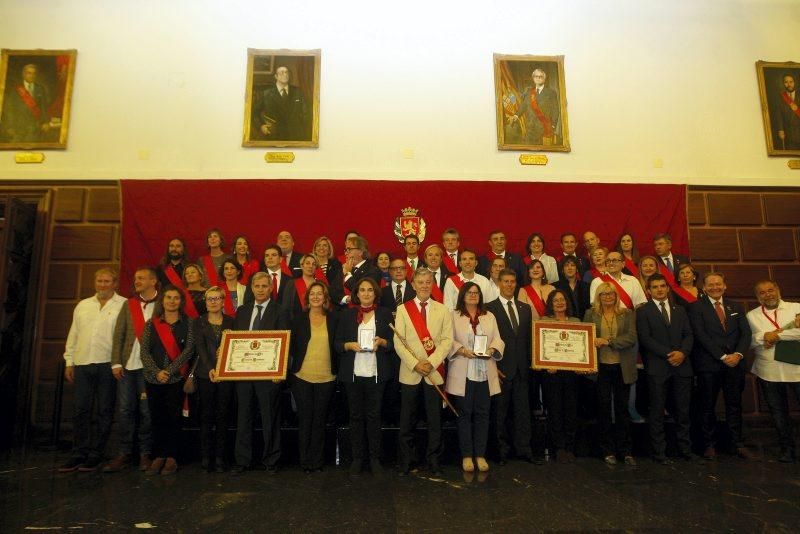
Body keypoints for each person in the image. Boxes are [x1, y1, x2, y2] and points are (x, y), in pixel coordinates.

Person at [58, 268, 127, 473]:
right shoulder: (83, 305)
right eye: (99, 281)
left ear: (115, 283)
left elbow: (124, 336)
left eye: (107, 281)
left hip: (108, 364)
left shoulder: (123, 304)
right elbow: (74, 333)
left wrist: (119, 363)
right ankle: (78, 452)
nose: (103, 285)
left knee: (105, 411)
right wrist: (69, 361)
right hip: (83, 362)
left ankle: (97, 453)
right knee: (80, 410)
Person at [688, 273, 754, 461]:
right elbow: (701, 335)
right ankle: (709, 445)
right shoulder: (695, 307)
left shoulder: (736, 306)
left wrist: (738, 355)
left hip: (735, 364)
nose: (715, 287)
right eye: (710, 284)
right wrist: (723, 356)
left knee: (734, 406)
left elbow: (746, 334)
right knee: (707, 406)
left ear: (725, 286)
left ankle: (737, 444)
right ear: (704, 288)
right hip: (710, 365)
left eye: (718, 284)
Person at [395, 268, 454, 476]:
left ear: (433, 284)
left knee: (434, 419)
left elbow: (447, 341)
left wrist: (430, 362)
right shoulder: (403, 309)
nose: (424, 285)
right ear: (413, 284)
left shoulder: (443, 310)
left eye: (428, 282)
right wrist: (415, 364)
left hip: (434, 371)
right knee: (407, 420)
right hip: (410, 372)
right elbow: (398, 343)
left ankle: (434, 460)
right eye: (420, 282)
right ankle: (407, 461)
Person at [231, 272, 290, 475]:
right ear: (252, 288)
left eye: (265, 286)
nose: (261, 289)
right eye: (257, 286)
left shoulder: (280, 311)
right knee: (243, 417)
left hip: (268, 375)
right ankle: (243, 460)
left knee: (269, 418)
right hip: (244, 374)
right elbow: (236, 341)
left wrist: (280, 370)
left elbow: (284, 343)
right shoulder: (242, 311)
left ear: (271, 288)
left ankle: (271, 460)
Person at [335, 278, 393, 476]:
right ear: (356, 294)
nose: (366, 293)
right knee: (356, 416)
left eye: (370, 290)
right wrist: (348, 346)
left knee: (374, 416)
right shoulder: (347, 315)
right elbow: (336, 344)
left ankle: (375, 459)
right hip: (353, 374)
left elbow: (395, 342)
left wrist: (384, 342)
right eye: (362, 290)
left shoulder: (385, 314)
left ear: (375, 294)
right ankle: (357, 459)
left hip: (377, 373)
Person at [636, 274, 695, 464]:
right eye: (655, 287)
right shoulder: (644, 311)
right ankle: (659, 452)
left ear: (668, 288)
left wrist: (682, 353)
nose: (660, 289)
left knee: (683, 411)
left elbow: (689, 335)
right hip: (658, 367)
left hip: (682, 366)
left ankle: (685, 450)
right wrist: (670, 354)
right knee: (657, 411)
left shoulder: (680, 310)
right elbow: (645, 339)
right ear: (649, 291)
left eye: (663, 286)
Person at [105, 268, 158, 473]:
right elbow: (119, 334)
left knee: (146, 412)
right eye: (135, 278)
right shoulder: (130, 304)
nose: (137, 281)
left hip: (149, 368)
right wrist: (115, 363)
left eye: (141, 278)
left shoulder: (162, 304)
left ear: (153, 281)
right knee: (126, 410)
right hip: (127, 367)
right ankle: (124, 453)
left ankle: (145, 453)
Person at [447, 283, 504, 473]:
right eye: (469, 293)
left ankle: (480, 454)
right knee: (464, 414)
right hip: (463, 371)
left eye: (476, 293)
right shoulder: (453, 316)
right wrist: (461, 350)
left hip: (485, 372)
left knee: (483, 414)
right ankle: (466, 455)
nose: (473, 296)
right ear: (462, 296)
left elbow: (498, 339)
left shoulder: (489, 316)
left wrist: (492, 350)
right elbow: (447, 340)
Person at [140, 286, 195, 476]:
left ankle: (172, 456)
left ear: (181, 302)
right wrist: (157, 372)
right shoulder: (151, 324)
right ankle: (159, 455)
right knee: (157, 418)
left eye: (176, 298)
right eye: (169, 298)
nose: (172, 301)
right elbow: (144, 352)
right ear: (162, 301)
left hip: (176, 378)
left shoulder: (188, 323)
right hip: (153, 379)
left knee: (174, 418)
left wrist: (169, 371)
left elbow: (188, 351)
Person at [584, 283, 638, 466]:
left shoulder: (627, 314)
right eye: (603, 294)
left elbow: (631, 338)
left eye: (611, 294)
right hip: (601, 369)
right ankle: (607, 451)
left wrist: (608, 341)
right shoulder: (590, 314)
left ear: (616, 296)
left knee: (623, 410)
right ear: (598, 297)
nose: (607, 297)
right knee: (604, 410)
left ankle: (626, 451)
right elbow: (584, 338)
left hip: (622, 368)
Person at [746, 279, 800, 463]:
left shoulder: (795, 308)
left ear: (778, 289)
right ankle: (787, 449)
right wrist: (763, 336)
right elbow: (750, 341)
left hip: (796, 368)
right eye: (762, 292)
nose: (768, 294)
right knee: (778, 413)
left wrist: (774, 335)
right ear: (757, 296)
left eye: (771, 290)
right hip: (768, 370)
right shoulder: (752, 316)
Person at [486, 269, 535, 465]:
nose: (509, 285)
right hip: (501, 369)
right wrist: (493, 365)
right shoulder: (489, 308)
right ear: (499, 283)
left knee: (523, 412)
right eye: (505, 281)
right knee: (500, 413)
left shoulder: (525, 308)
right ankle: (501, 452)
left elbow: (528, 339)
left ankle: (524, 450)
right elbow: (488, 339)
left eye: (512, 281)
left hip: (522, 369)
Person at [291, 282, 339, 473]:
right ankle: (305, 461)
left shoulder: (334, 319)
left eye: (320, 294)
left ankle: (317, 461)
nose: (316, 297)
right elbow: (291, 347)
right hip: (302, 376)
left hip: (327, 377)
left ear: (325, 298)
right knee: (305, 420)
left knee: (319, 420)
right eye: (313, 294)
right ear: (307, 297)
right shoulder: (298, 319)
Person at [195, 286, 236, 472]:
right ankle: (205, 457)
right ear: (205, 302)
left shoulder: (231, 321)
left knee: (223, 416)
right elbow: (200, 349)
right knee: (206, 417)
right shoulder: (198, 322)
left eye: (216, 298)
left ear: (223, 300)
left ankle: (220, 457)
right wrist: (211, 368)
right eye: (209, 299)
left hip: (226, 374)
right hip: (205, 374)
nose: (213, 302)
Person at [541, 289, 584, 463]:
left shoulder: (576, 322)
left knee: (571, 410)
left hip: (572, 375)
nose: (559, 303)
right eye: (555, 300)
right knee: (555, 410)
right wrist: (545, 365)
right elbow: (541, 349)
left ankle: (570, 447)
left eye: (562, 300)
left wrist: (583, 364)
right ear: (550, 304)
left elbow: (582, 348)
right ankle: (558, 447)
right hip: (552, 374)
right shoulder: (543, 322)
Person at [508, 68, 560, 145]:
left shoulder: (551, 93)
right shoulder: (529, 92)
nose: (538, 78)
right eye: (536, 76)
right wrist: (516, 115)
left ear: (544, 79)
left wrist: (553, 126)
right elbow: (523, 106)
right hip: (530, 128)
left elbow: (555, 110)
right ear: (533, 78)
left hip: (545, 129)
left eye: (541, 76)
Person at [258, 65, 311, 141]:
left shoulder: (297, 92)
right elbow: (254, 113)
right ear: (276, 76)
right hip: (275, 136)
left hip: (296, 136)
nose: (285, 75)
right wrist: (261, 125)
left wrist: (302, 129)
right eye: (282, 73)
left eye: (286, 72)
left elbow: (306, 114)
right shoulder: (266, 94)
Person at [2, 63, 51, 143]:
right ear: (23, 74)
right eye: (29, 73)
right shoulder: (15, 90)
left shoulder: (40, 89)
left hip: (36, 127)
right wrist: (9, 127)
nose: (32, 75)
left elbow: (44, 107)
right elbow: (9, 110)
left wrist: (46, 122)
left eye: (34, 73)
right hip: (18, 127)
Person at [341, 235, 381, 306]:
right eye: (346, 250)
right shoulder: (345, 267)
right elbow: (333, 291)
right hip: (344, 312)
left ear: (360, 252)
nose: (346, 253)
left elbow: (361, 291)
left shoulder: (373, 270)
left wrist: (347, 274)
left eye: (349, 249)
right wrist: (346, 299)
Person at [262, 244, 297, 313]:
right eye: (267, 255)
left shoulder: (290, 280)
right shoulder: (256, 278)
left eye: (274, 255)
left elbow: (292, 304)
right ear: (264, 260)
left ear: (280, 259)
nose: (270, 258)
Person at [554, 257, 591, 322]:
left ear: (577, 269)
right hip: (564, 322)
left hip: (584, 322)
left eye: (573, 265)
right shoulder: (555, 287)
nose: (570, 268)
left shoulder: (586, 286)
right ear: (562, 269)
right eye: (566, 265)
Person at [310, 235, 344, 304]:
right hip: (314, 301)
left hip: (333, 302)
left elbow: (338, 285)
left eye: (325, 245)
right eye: (319, 245)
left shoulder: (336, 264)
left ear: (329, 250)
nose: (321, 248)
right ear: (315, 249)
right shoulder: (310, 265)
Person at [775, 73, 800, 150]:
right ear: (783, 83)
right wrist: (780, 130)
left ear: (795, 82)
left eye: (791, 82)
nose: (789, 84)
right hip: (788, 134)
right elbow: (778, 115)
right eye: (786, 82)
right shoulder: (781, 97)